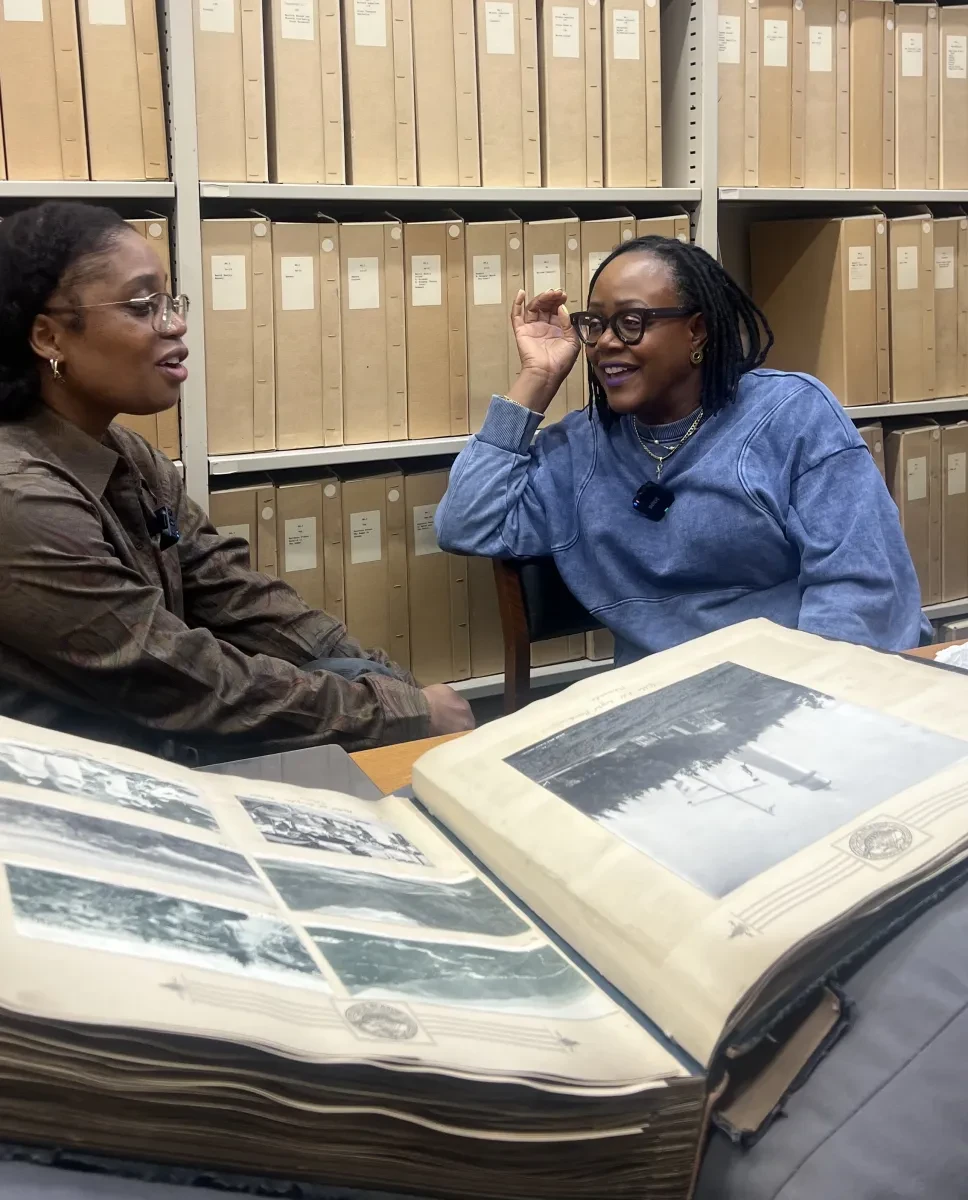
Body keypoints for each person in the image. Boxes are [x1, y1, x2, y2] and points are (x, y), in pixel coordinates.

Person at [0, 201, 473, 765]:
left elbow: (240, 597)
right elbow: (174, 676)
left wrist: (394, 688)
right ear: (49, 338)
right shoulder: (18, 495)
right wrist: (398, 712)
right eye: (142, 305)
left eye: (171, 302)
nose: (174, 325)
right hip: (69, 797)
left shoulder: (128, 455)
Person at [436, 235, 930, 664]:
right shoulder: (578, 448)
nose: (606, 342)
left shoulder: (792, 416)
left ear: (697, 330)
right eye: (596, 324)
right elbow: (468, 524)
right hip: (656, 708)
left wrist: (806, 707)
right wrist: (536, 380)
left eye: (631, 322)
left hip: (795, 688)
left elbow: (862, 589)